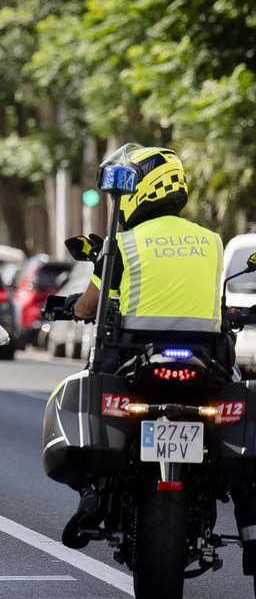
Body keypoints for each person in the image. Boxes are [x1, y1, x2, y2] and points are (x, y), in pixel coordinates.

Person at [45, 145, 237, 548]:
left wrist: (70, 309)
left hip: (134, 361)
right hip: (206, 364)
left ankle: (94, 491)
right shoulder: (212, 241)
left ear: (142, 188)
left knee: (92, 398)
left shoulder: (124, 243)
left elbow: (88, 305)